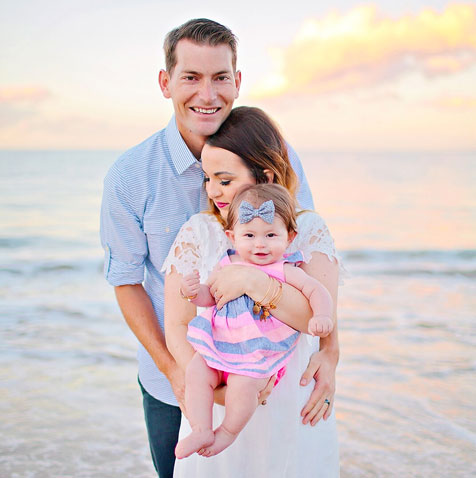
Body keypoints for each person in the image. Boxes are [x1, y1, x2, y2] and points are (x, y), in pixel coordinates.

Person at [99, 18, 332, 478]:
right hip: (178, 379)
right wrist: (179, 375)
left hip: (269, 374)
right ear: (165, 82)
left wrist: (332, 351)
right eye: (191, 77)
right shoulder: (130, 176)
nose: (207, 94)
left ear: (237, 82)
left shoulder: (275, 155)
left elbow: (307, 256)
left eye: (220, 77)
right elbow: (126, 282)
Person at [163, 106, 340, 477]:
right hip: (218, 385)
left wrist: (251, 281)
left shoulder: (304, 229)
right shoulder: (199, 231)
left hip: (286, 386)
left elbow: (317, 316)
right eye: (208, 178)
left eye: (225, 180)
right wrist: (214, 388)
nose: (213, 191)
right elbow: (177, 325)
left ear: (265, 175)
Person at [175, 183, 334, 459]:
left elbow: (316, 290)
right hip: (220, 346)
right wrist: (192, 293)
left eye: (271, 235)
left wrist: (322, 315)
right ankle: (201, 428)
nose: (260, 244)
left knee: (243, 387)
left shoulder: (284, 270)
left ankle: (227, 431)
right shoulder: (226, 264)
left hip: (258, 354)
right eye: (249, 235)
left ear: (290, 237)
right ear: (232, 237)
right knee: (196, 372)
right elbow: (210, 296)